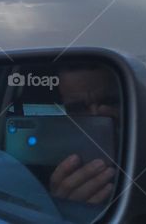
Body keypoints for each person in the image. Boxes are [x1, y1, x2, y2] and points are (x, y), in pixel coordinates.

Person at [48, 64, 120, 205]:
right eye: (77, 108)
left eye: (110, 101)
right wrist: (64, 206)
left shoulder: (143, 149)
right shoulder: (58, 166)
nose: (95, 115)